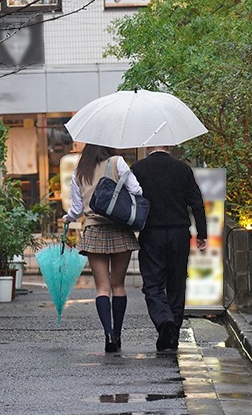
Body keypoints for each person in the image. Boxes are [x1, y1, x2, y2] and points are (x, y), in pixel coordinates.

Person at [63, 144, 142, 353]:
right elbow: (137, 190)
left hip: (94, 230)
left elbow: (77, 209)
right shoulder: (117, 163)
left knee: (102, 288)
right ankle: (117, 334)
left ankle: (107, 335)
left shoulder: (80, 172)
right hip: (119, 228)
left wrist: (67, 218)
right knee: (118, 286)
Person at [131, 146, 207, 351]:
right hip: (179, 233)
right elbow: (196, 203)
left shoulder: (138, 169)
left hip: (151, 233)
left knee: (153, 284)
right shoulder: (182, 169)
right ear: (169, 147)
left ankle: (163, 319)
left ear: (148, 148)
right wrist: (202, 234)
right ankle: (173, 332)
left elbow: (130, 200)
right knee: (177, 282)